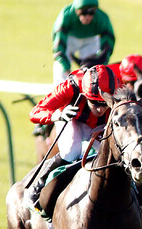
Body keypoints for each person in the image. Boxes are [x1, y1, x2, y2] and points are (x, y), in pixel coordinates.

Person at [24, 65, 118, 211]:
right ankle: (37, 186)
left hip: (100, 126)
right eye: (94, 102)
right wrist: (58, 115)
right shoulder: (71, 87)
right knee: (71, 152)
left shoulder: (117, 91)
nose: (100, 109)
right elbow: (35, 112)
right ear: (85, 93)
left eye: (104, 103)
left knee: (114, 157)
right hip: (72, 120)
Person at [52, 0, 115, 85]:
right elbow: (58, 45)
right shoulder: (66, 15)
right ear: (76, 10)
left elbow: (108, 43)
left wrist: (103, 61)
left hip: (91, 40)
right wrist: (66, 68)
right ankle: (59, 90)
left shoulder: (102, 18)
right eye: (84, 13)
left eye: (91, 13)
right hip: (69, 40)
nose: (88, 17)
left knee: (93, 73)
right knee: (61, 73)